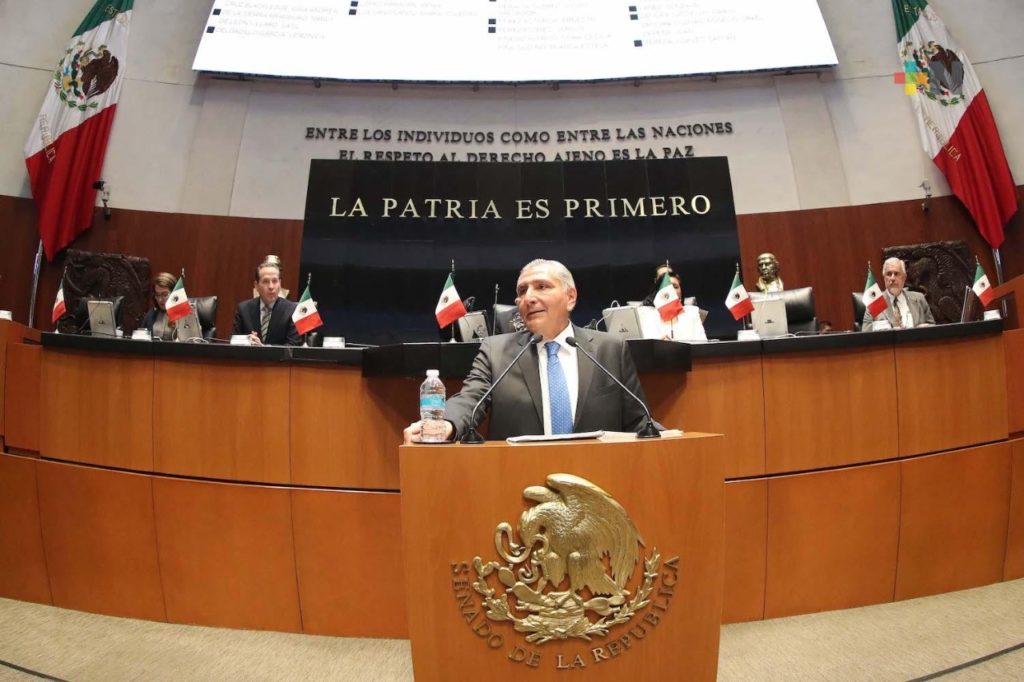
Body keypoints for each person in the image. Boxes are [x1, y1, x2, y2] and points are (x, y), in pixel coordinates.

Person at [403, 259, 650, 443]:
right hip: (520, 482)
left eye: (542, 287)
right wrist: (446, 424)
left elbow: (639, 422)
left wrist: (662, 433)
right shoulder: (496, 351)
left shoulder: (610, 349)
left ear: (570, 297)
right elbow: (469, 400)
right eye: (522, 291)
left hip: (596, 482)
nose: (528, 298)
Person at [231, 259, 301, 346]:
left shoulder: (292, 310)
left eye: (275, 281)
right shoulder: (243, 309)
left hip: (277, 360)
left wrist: (264, 348)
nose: (271, 286)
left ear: (280, 283)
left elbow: (293, 346)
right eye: (266, 281)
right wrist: (247, 340)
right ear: (256, 285)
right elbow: (233, 341)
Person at [862, 257, 935, 331]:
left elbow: (934, 329)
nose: (892, 278)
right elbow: (865, 334)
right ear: (884, 278)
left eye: (896, 274)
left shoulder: (919, 299)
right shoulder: (875, 302)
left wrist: (926, 328)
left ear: (904, 277)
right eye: (889, 274)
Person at [645, 268, 707, 342]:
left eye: (675, 286)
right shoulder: (647, 314)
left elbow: (702, 343)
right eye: (666, 287)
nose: (670, 290)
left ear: (681, 293)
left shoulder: (692, 312)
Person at [141, 272, 177, 340]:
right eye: (157, 295)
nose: (160, 299)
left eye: (164, 294)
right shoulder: (151, 315)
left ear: (174, 293)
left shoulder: (184, 314)